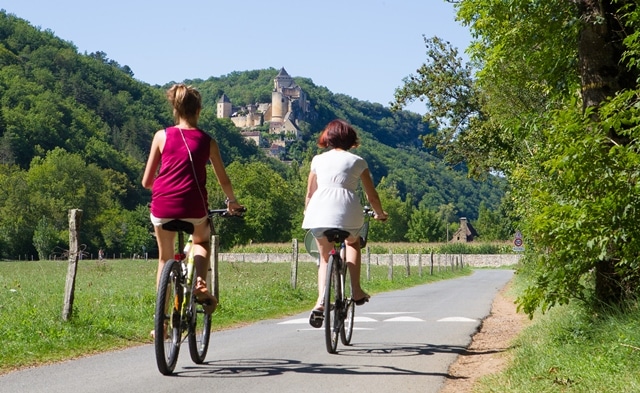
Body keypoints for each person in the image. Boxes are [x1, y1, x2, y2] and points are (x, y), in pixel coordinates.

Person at [142, 84, 243, 322]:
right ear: (199, 110)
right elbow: (224, 180)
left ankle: (161, 324)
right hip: (194, 207)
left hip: (162, 207)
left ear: (175, 108)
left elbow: (147, 181)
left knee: (164, 259)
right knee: (202, 240)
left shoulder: (161, 136)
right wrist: (232, 202)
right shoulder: (208, 141)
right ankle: (200, 281)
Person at [302, 119, 388, 328]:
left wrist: (308, 211)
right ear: (351, 140)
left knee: (324, 258)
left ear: (327, 139)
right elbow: (372, 196)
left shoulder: (317, 160)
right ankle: (357, 291)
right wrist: (380, 214)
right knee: (352, 243)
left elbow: (310, 193)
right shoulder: (358, 162)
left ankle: (320, 302)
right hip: (347, 212)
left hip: (318, 212)